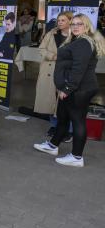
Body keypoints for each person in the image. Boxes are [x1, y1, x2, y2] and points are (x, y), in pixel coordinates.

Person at [33, 14, 105, 167]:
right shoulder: (76, 40)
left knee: (78, 121)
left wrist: (67, 88)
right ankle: (53, 145)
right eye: (73, 24)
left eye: (80, 24)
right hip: (73, 88)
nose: (75, 26)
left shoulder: (84, 43)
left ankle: (77, 157)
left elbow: (78, 69)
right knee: (63, 117)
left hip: (79, 89)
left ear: (86, 26)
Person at [33, 11, 73, 138]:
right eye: (59, 20)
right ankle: (54, 126)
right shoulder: (51, 33)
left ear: (70, 21)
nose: (60, 23)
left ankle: (68, 130)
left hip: (67, 72)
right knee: (50, 99)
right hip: (49, 71)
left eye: (63, 20)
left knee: (66, 101)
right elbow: (41, 49)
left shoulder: (76, 36)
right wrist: (53, 56)